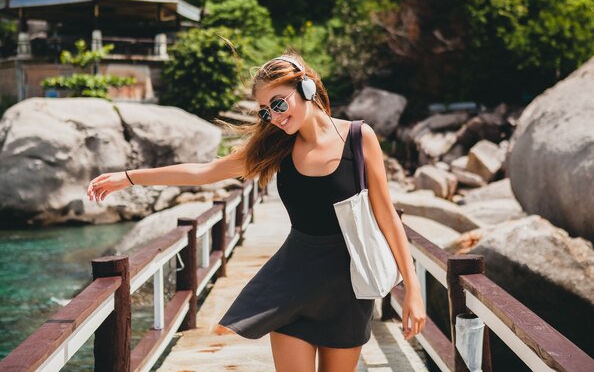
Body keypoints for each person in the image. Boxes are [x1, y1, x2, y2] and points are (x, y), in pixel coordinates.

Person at [87, 50, 426, 372]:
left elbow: (386, 216)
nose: (275, 117)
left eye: (278, 104)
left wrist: (412, 290)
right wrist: (129, 178)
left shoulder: (359, 137)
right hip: (292, 286)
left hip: (350, 289)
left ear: (306, 87)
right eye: (265, 111)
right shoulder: (276, 146)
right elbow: (204, 172)